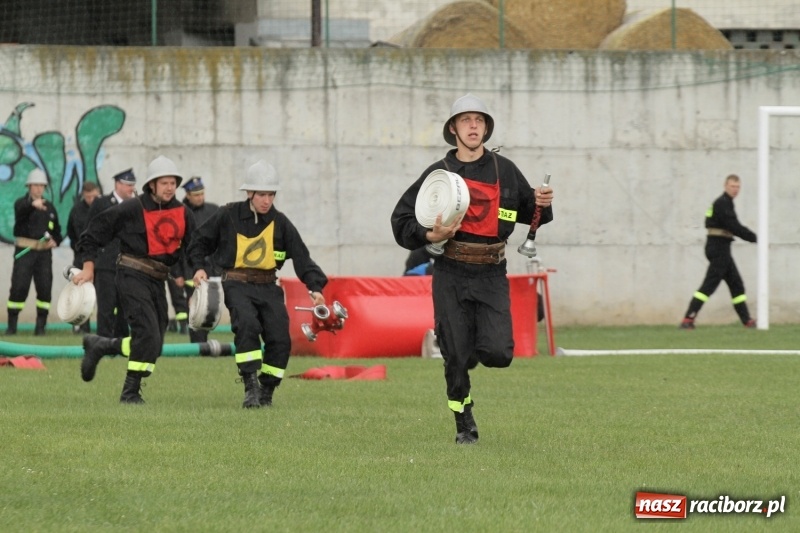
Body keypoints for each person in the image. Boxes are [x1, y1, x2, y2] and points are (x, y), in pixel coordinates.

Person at [390, 93, 554, 444]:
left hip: (492, 273)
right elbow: (401, 220)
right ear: (454, 129)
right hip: (450, 272)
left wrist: (542, 203)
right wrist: (429, 233)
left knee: (498, 353)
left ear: (486, 128)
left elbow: (531, 213)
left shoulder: (505, 170)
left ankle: (468, 352)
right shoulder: (439, 175)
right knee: (454, 357)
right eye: (466, 120)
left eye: (479, 120)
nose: (473, 126)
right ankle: (464, 421)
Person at [188, 160, 328, 409]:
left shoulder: (281, 223)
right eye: (262, 194)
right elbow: (199, 241)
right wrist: (198, 267)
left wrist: (315, 287)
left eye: (271, 194)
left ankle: (267, 391)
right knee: (248, 326)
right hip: (237, 284)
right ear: (249, 193)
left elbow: (302, 257)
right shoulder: (227, 215)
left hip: (269, 288)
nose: (267, 200)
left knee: (280, 339)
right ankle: (250, 386)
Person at [74, 156, 196, 404]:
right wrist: (88, 267)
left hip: (157, 279)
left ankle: (102, 345)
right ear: (152, 185)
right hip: (131, 275)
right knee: (147, 334)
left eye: (173, 182)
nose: (170, 187)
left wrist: (200, 271)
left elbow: (196, 246)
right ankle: (129, 393)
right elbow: (92, 234)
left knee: (156, 343)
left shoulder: (184, 212)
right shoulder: (132, 208)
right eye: (164, 183)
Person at [680, 174, 757, 329]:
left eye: (738, 186)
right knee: (709, 285)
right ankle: (688, 319)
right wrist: (755, 238)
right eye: (732, 186)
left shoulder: (725, 203)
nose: (735, 189)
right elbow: (734, 226)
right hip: (718, 248)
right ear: (725, 186)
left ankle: (747, 321)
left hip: (721, 248)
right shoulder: (722, 204)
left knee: (736, 285)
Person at [5, 169, 63, 336]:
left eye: (41, 186)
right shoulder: (21, 203)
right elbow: (20, 211)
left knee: (44, 288)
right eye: (35, 185)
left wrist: (56, 240)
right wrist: (32, 205)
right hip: (25, 252)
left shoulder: (50, 208)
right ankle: (12, 326)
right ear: (29, 186)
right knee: (19, 287)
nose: (38, 189)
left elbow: (57, 231)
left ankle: (40, 327)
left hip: (44, 255)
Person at [84, 168, 137, 339]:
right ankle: (103, 342)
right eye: (128, 185)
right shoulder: (101, 203)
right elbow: (90, 231)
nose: (131, 188)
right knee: (106, 306)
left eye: (133, 185)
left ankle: (122, 342)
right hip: (106, 263)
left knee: (125, 307)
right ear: (118, 184)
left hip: (128, 264)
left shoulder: (136, 205)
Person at [178, 176, 220, 343]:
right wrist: (177, 273)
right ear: (188, 195)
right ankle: (197, 343)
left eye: (202, 194)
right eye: (196, 195)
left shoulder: (213, 210)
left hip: (210, 267)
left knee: (209, 306)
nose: (200, 198)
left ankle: (204, 340)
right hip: (188, 268)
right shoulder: (181, 212)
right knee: (195, 305)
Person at [66, 181, 100, 333]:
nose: (90, 200)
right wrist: (79, 249)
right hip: (81, 257)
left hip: (101, 256)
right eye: (87, 197)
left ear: (98, 192)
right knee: (82, 294)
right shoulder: (76, 210)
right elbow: (71, 232)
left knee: (103, 293)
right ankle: (81, 326)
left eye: (93, 196)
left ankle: (105, 328)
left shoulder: (104, 207)